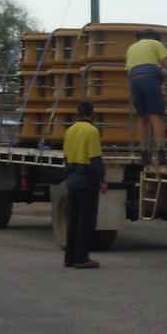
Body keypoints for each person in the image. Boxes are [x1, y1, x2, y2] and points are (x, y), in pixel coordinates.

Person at [124, 29, 167, 161]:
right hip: (150, 80)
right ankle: (161, 152)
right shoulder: (155, 43)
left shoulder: (131, 48)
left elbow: (129, 71)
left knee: (142, 118)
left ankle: (145, 152)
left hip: (134, 82)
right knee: (156, 117)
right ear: (155, 38)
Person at [62, 100, 107, 269]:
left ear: (78, 113)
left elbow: (66, 157)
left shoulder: (69, 130)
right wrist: (101, 180)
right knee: (86, 221)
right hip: (87, 178)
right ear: (92, 114)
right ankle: (81, 258)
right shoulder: (92, 131)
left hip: (72, 177)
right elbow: (95, 158)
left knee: (72, 219)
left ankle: (69, 258)